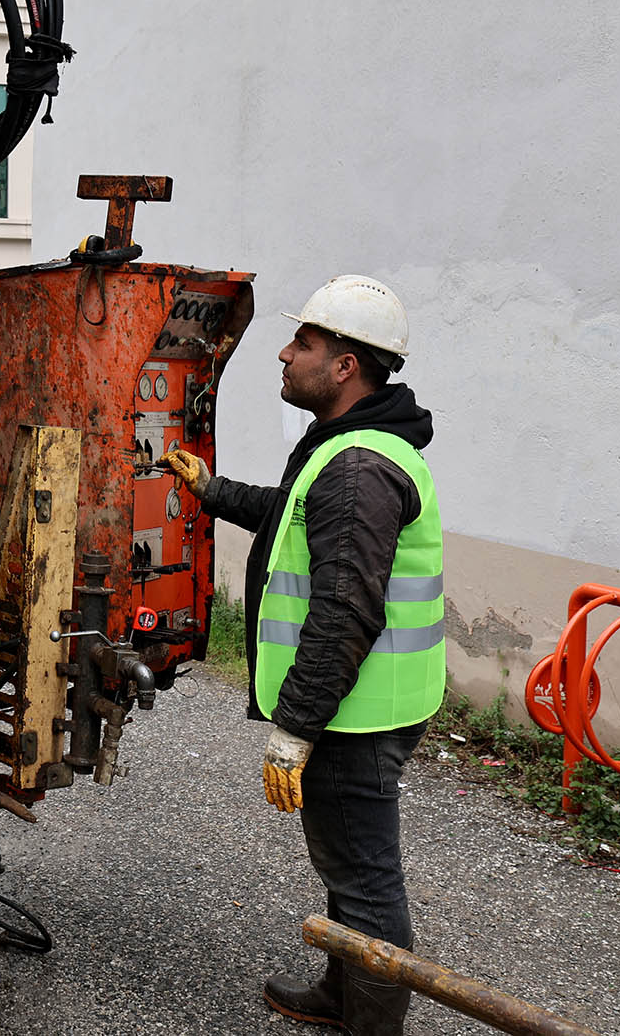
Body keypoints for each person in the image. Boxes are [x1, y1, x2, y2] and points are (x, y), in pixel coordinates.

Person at [163, 275, 442, 1036]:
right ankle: (341, 992)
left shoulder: (358, 469)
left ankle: (372, 1024)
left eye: (305, 343)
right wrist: (212, 488)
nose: (285, 353)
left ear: (346, 365)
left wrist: (295, 729)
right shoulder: (346, 447)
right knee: (345, 863)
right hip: (360, 705)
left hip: (354, 714)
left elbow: (344, 611)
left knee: (366, 878)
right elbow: (290, 517)